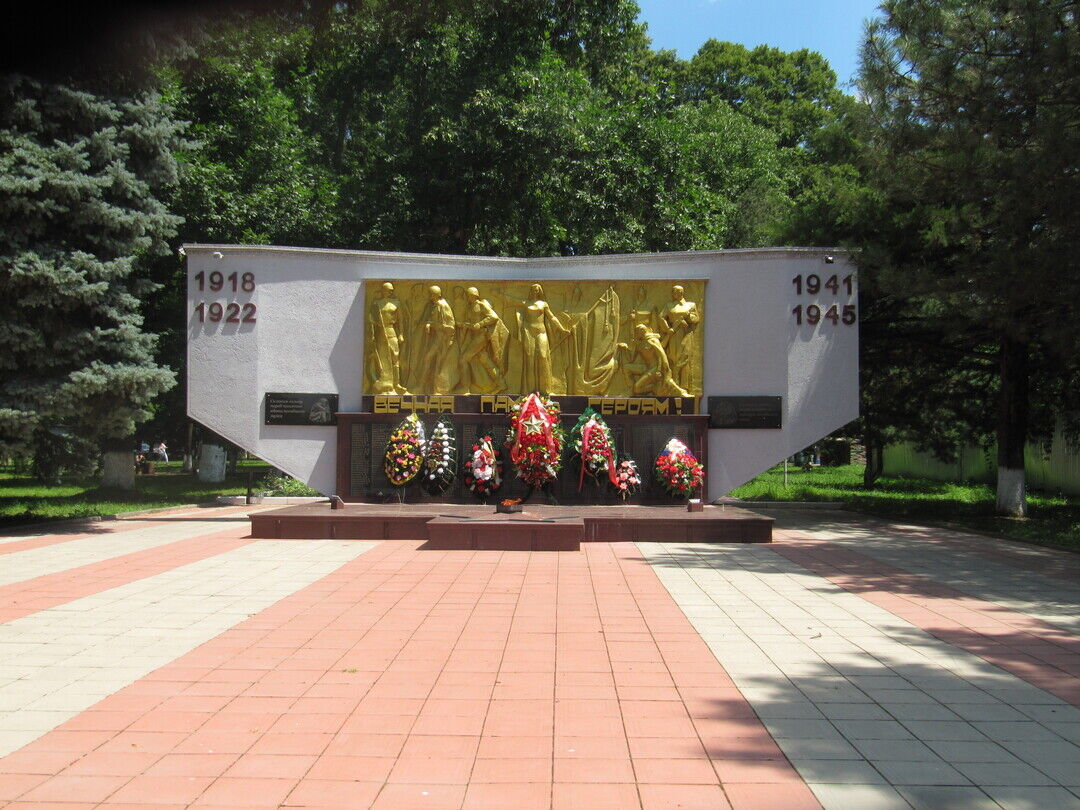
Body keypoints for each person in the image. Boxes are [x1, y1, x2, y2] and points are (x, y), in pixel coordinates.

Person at [459, 287, 508, 394]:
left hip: (481, 337)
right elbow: (473, 323)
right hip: (474, 336)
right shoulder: (469, 307)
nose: (467, 297)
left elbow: (494, 317)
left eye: (468, 295)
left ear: (473, 295)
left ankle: (465, 388)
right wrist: (464, 325)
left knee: (463, 360)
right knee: (485, 360)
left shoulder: (481, 305)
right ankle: (501, 383)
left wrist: (480, 324)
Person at [367, 281, 409, 394]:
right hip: (380, 332)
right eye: (388, 289)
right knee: (382, 358)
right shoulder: (377, 303)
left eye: (392, 290)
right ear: (383, 290)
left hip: (391, 331)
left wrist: (401, 334)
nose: (391, 292)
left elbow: (400, 320)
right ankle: (384, 383)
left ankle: (397, 384)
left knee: (395, 357)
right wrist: (372, 334)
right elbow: (371, 320)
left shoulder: (396, 303)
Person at [658, 284, 700, 392]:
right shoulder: (669, 305)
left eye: (676, 292)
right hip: (674, 335)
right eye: (673, 292)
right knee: (674, 357)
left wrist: (688, 317)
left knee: (685, 358)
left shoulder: (691, 305)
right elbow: (661, 317)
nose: (674, 294)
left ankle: (685, 386)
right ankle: (673, 384)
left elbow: (696, 319)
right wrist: (668, 329)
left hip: (686, 334)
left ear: (681, 293)